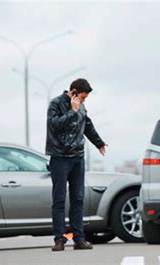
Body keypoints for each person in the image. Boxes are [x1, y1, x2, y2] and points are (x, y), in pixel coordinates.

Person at [46, 78, 107, 251]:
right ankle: (59, 239)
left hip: (77, 158)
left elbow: (86, 124)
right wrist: (72, 111)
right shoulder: (56, 104)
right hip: (59, 157)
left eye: (85, 98)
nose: (83, 100)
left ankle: (79, 239)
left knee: (78, 199)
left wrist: (99, 143)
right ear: (73, 92)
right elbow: (54, 125)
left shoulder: (82, 106)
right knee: (59, 199)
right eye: (81, 97)